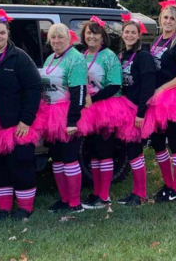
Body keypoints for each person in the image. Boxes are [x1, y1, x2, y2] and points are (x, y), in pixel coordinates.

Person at [0, 8, 43, 220]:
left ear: (8, 34)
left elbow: (34, 89)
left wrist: (26, 120)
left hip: (16, 123)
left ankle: (25, 208)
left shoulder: (20, 57)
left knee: (21, 165)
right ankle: (3, 208)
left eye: (2, 32)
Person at [77, 16, 131, 209]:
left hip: (106, 107)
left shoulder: (109, 56)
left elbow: (115, 84)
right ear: (84, 36)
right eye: (89, 33)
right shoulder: (82, 55)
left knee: (104, 151)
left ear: (102, 37)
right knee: (92, 151)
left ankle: (104, 196)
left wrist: (94, 99)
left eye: (96, 33)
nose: (92, 36)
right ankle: (96, 193)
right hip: (88, 109)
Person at [143, 0, 176, 203]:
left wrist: (163, 88)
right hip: (157, 98)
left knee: (174, 141)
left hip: (173, 98)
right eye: (165, 17)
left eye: (172, 18)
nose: (168, 21)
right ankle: (169, 184)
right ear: (160, 19)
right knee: (157, 142)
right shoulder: (157, 40)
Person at [41, 23, 87, 213]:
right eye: (53, 37)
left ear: (68, 39)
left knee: (69, 158)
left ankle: (75, 203)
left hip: (68, 114)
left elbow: (80, 92)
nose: (56, 41)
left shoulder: (75, 59)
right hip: (50, 115)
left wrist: (72, 121)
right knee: (57, 158)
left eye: (60, 37)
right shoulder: (51, 58)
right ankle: (64, 199)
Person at [115, 14, 156, 206]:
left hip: (137, 110)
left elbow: (148, 87)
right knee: (131, 152)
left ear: (139, 35)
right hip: (125, 108)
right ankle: (136, 192)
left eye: (133, 32)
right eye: (126, 32)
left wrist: (141, 113)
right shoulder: (123, 55)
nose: (130, 35)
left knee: (135, 151)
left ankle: (140, 194)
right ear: (122, 34)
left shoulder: (143, 56)